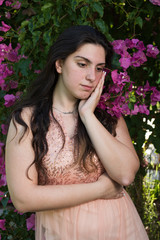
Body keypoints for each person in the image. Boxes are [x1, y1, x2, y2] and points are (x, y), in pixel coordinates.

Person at [5, 25, 149, 240]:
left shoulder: (108, 116)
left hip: (121, 230)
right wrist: (100, 189)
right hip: (62, 233)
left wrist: (88, 115)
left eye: (99, 68)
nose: (91, 76)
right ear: (60, 64)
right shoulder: (27, 119)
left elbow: (126, 174)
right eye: (82, 64)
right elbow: (23, 199)